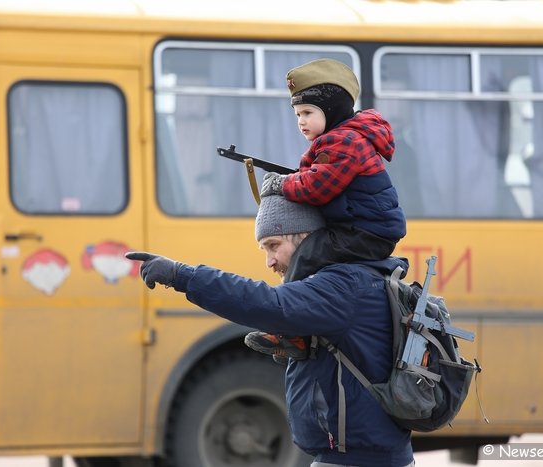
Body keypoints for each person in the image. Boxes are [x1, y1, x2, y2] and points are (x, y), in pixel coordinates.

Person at [125, 194, 414, 467]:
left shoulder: (341, 285)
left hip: (361, 460)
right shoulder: (345, 280)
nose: (269, 261)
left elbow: (268, 303)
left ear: (305, 237)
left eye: (274, 245)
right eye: (264, 249)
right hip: (354, 455)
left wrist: (182, 276)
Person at [244, 58, 406, 363]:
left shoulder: (344, 142)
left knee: (307, 252)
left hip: (367, 232)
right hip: (358, 228)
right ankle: (302, 333)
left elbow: (317, 187)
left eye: (307, 112)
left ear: (331, 111)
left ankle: (288, 328)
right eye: (297, 114)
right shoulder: (337, 141)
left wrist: (281, 185)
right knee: (315, 258)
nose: (301, 121)